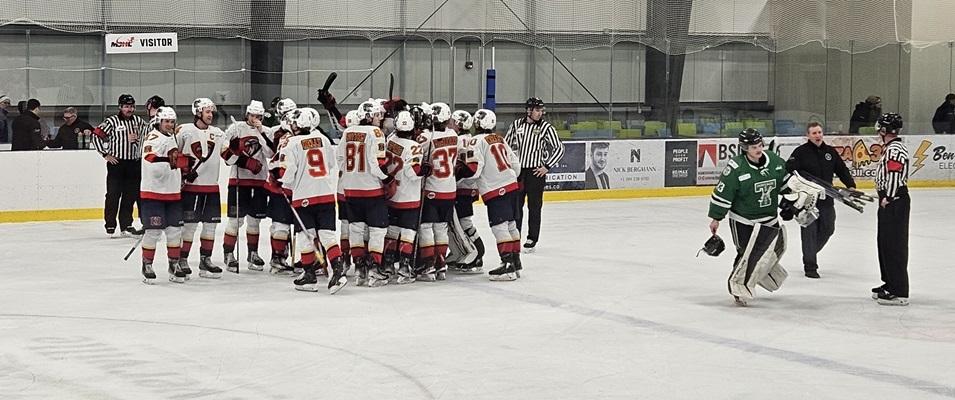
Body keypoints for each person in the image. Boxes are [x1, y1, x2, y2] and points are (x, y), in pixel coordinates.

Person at [708, 128, 791, 306]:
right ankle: (737, 286)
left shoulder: (775, 162)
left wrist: (793, 202)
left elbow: (785, 186)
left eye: (760, 145)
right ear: (745, 148)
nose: (758, 149)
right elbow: (723, 193)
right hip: (743, 220)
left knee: (771, 253)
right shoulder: (736, 168)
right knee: (745, 254)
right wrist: (716, 218)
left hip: (769, 218)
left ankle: (760, 274)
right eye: (753, 146)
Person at [278, 108, 347, 294]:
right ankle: (338, 271)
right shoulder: (324, 140)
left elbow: (286, 173)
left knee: (306, 237)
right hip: (326, 194)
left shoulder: (291, 144)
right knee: (327, 236)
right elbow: (332, 165)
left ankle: (309, 275)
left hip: (304, 197)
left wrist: (276, 177)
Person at [785, 122, 856, 278]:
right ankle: (810, 266)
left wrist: (850, 185)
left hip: (826, 198)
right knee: (809, 232)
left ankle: (810, 251)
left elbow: (842, 169)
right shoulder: (800, 152)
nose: (817, 135)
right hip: (807, 200)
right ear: (808, 136)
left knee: (828, 228)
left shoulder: (830, 152)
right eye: (814, 133)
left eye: (819, 132)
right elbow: (788, 172)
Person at [463, 109, 523, 281]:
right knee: (511, 225)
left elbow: (474, 169)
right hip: (512, 186)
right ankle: (515, 260)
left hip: (496, 189)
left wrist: (461, 178)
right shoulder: (500, 138)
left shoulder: (476, 140)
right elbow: (515, 165)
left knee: (500, 227)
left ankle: (507, 265)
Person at [338, 99, 390, 287]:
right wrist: (387, 179)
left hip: (351, 190)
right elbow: (377, 164)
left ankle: (359, 269)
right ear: (369, 116)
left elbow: (340, 160)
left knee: (356, 229)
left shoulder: (348, 132)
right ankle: (375, 270)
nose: (380, 118)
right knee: (377, 230)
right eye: (377, 115)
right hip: (371, 190)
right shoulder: (376, 133)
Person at [505, 97, 564, 252]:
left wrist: (547, 166)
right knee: (516, 206)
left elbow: (559, 148)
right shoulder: (516, 125)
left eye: (541, 110)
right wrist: (509, 165)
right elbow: (506, 145)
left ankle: (532, 238)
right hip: (519, 172)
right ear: (529, 110)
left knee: (534, 206)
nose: (540, 113)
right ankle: (515, 235)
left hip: (536, 173)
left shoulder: (546, 128)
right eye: (537, 110)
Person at [176, 98, 226, 280]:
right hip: (191, 188)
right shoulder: (184, 131)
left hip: (211, 187)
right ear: (197, 112)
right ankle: (182, 259)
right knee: (189, 227)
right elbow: (175, 155)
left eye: (211, 112)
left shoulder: (218, 133)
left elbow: (228, 156)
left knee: (210, 227)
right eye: (207, 112)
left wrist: (237, 148)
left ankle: (206, 260)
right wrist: (184, 172)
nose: (210, 115)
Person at [138, 106, 189, 284]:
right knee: (153, 232)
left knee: (175, 231)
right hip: (153, 194)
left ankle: (173, 264)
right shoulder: (153, 137)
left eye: (172, 121)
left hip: (173, 193)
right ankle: (147, 264)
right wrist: (171, 162)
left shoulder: (171, 137)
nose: (169, 124)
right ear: (159, 122)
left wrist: (182, 170)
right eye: (166, 121)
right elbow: (150, 161)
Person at [221, 100, 271, 273]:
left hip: (259, 181)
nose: (255, 119)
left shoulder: (267, 131)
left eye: (259, 116)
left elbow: (271, 153)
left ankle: (253, 254)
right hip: (239, 181)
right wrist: (242, 160)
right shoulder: (236, 129)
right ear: (247, 114)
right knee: (236, 220)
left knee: (254, 221)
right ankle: (228, 254)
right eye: (252, 115)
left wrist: (262, 132)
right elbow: (224, 152)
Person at [92, 94, 148, 236]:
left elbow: (148, 133)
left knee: (130, 196)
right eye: (126, 106)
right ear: (120, 107)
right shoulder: (112, 121)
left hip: (134, 163)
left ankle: (126, 225)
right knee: (113, 194)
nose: (129, 109)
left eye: (131, 106)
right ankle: (110, 224)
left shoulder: (138, 121)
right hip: (117, 163)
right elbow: (96, 134)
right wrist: (105, 154)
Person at [415, 102, 459, 281]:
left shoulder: (426, 137)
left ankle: (428, 266)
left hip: (432, 189)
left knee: (426, 227)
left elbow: (416, 159)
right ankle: (441, 264)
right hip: (450, 189)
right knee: (441, 228)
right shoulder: (454, 135)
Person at [383, 110, 426, 284]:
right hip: (409, 196)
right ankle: (404, 268)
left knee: (392, 231)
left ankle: (387, 265)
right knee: (408, 233)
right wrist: (426, 170)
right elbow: (413, 172)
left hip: (392, 194)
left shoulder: (390, 140)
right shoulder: (415, 146)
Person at [872, 113, 911, 306]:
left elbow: (895, 174)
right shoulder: (890, 148)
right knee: (885, 243)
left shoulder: (895, 149)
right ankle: (889, 282)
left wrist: (888, 197)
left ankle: (898, 290)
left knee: (894, 245)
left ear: (885, 130)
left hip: (894, 201)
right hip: (889, 200)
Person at [263, 98, 299, 275]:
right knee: (280, 225)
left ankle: (285, 258)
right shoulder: (278, 133)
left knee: (299, 225)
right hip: (282, 187)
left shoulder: (297, 132)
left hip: (297, 187)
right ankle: (278, 258)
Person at [449, 109, 485, 272]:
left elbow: (466, 168)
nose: (450, 124)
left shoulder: (457, 141)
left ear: (457, 123)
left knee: (463, 222)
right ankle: (461, 252)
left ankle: (477, 253)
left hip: (461, 188)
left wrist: (454, 180)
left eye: (452, 121)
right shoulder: (470, 139)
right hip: (470, 187)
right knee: (461, 221)